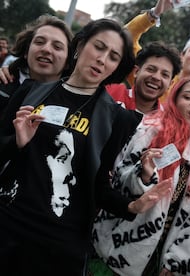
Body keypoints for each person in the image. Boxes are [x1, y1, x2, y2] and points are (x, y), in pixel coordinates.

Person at [0, 18, 150, 275]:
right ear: (79, 46)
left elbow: (99, 185)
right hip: (8, 225)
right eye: (99, 47)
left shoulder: (118, 119)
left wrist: (129, 207)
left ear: (116, 67)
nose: (102, 59)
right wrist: (17, 142)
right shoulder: (31, 91)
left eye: (113, 56)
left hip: (60, 243)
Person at [93, 77, 190, 275]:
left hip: (162, 262)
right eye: (188, 97)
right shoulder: (149, 131)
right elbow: (117, 181)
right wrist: (143, 175)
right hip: (117, 251)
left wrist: (177, 260)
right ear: (175, 101)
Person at [0, 15, 73, 113]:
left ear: (68, 62)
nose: (46, 49)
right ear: (26, 51)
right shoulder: (4, 85)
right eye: (39, 42)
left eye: (57, 47)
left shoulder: (74, 104)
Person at [107, 40, 182, 114]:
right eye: (151, 69)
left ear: (170, 84)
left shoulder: (167, 122)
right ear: (136, 71)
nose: (156, 77)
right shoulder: (110, 94)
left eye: (165, 75)